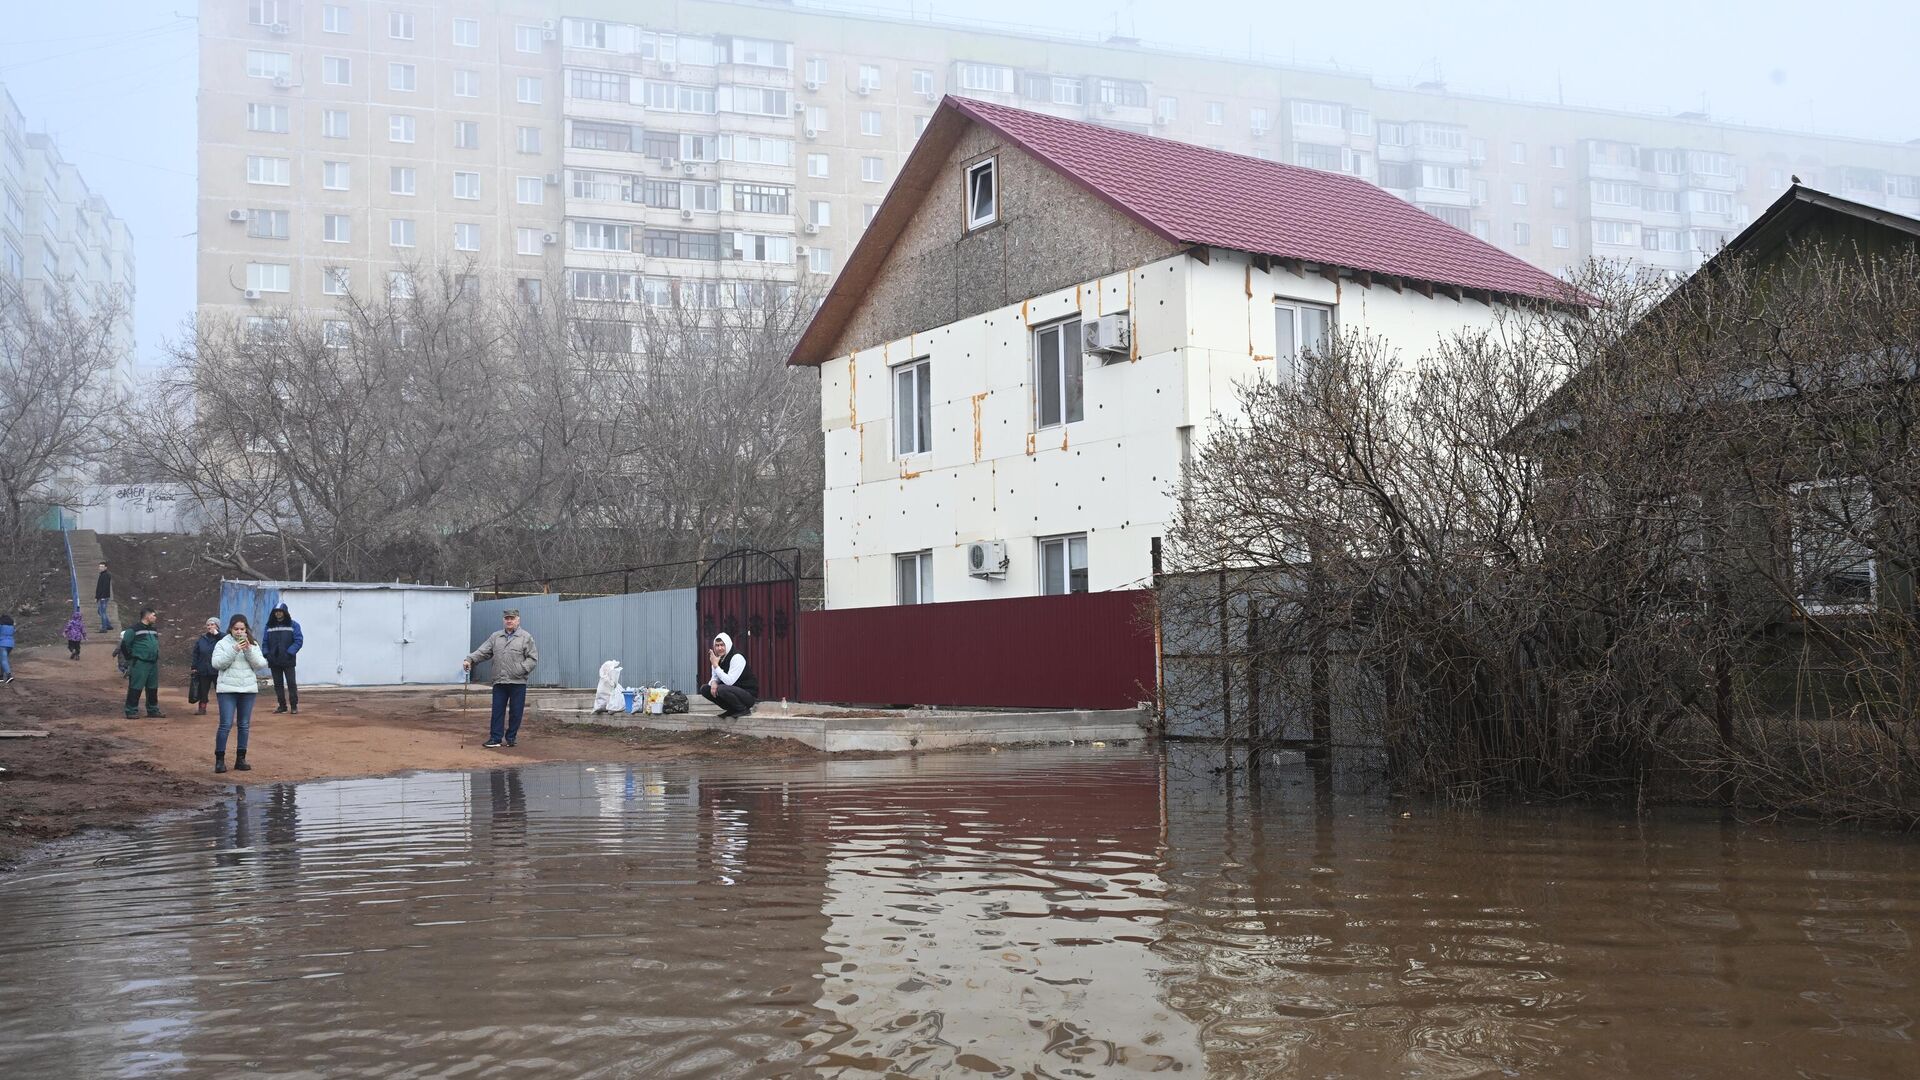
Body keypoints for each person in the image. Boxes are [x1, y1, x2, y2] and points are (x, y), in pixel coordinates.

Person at [463, 609, 538, 749]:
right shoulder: (496, 637)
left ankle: (511, 738)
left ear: (518, 620)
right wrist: (470, 659)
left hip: (518, 682)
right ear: (504, 620)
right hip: (499, 681)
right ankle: (495, 738)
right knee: (497, 711)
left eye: (512, 618)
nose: (509, 621)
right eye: (506, 618)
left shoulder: (525, 637)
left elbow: (532, 659)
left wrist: (520, 670)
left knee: (516, 712)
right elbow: (483, 651)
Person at [211, 613, 270, 773]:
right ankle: (220, 760)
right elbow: (217, 664)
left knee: (244, 725)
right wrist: (235, 649)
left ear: (246, 629)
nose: (239, 632)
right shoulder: (223, 644)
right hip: (227, 690)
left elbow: (260, 664)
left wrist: (248, 650)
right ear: (230, 629)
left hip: (247, 689)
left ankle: (241, 758)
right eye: (236, 629)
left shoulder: (253, 644)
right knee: (226, 724)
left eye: (242, 629)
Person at [700, 632, 758, 719]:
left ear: (728, 644)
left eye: (722, 645)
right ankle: (732, 709)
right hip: (731, 692)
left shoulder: (737, 657)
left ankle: (743, 709)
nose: (720, 648)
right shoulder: (717, 659)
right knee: (705, 689)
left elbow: (729, 682)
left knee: (721, 688)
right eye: (717, 645)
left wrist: (716, 665)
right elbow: (714, 678)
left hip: (747, 695)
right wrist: (714, 682)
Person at [120, 608, 164, 719]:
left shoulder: (153, 630)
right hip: (140, 663)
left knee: (152, 688)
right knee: (136, 687)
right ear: (147, 616)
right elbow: (125, 645)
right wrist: (131, 658)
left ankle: (153, 709)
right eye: (153, 615)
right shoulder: (133, 630)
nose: (155, 617)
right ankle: (131, 710)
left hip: (152, 663)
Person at [261, 603, 303, 714]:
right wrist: (266, 653)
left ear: (285, 612)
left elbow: (298, 641)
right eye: (276, 611)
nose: (278, 613)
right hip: (274, 660)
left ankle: (294, 706)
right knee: (278, 684)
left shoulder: (294, 625)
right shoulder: (269, 626)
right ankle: (282, 705)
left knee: (291, 683)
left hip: (288, 660)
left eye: (280, 611)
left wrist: (290, 652)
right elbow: (265, 642)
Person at [187, 617, 222, 715]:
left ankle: (224, 709)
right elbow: (196, 653)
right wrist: (194, 667)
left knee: (221, 690)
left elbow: (227, 641)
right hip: (203, 668)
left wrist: (217, 634)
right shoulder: (202, 638)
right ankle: (202, 708)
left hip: (217, 669)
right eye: (208, 625)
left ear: (217, 626)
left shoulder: (222, 638)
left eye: (212, 624)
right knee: (203, 690)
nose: (210, 627)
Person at [94, 561, 113, 632]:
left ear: (105, 567)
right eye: (100, 566)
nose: (100, 568)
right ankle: (108, 625)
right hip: (103, 596)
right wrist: (96, 597)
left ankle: (104, 628)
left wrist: (101, 597)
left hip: (103, 597)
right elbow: (99, 587)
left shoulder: (105, 575)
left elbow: (104, 587)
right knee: (100, 611)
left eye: (102, 567)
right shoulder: (102, 574)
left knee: (102, 612)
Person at [0, 613, 14, 684]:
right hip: (10, 645)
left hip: (2, 644)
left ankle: (9, 676)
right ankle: (1, 677)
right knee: (2, 660)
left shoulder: (1, 626)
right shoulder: (11, 627)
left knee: (3, 660)